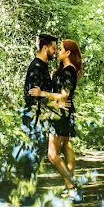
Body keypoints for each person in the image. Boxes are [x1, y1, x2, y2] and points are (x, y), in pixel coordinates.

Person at [30, 39, 82, 197]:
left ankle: (71, 184)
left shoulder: (69, 71)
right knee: (66, 146)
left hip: (61, 115)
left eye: (60, 49)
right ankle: (70, 186)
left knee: (52, 155)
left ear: (67, 53)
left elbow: (64, 96)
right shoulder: (63, 69)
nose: (57, 51)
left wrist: (42, 94)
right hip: (61, 112)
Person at [21, 34, 68, 161]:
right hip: (33, 119)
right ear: (45, 48)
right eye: (54, 48)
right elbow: (34, 96)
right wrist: (56, 104)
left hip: (38, 119)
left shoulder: (43, 66)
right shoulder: (36, 67)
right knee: (29, 159)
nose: (55, 51)